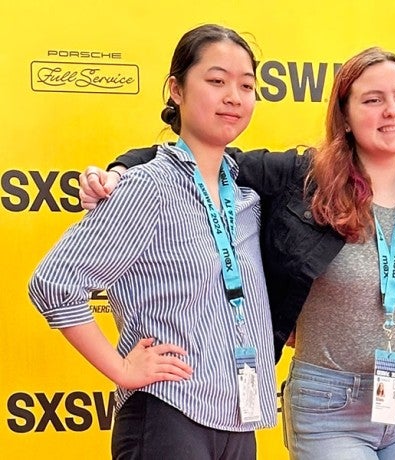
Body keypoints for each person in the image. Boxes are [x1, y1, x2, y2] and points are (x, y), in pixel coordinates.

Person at [80, 47, 395, 459]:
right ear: (344, 115)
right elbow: (201, 156)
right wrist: (117, 171)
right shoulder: (302, 177)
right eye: (373, 99)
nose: (392, 110)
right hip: (329, 405)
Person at [28, 24, 276, 459]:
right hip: (169, 413)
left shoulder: (247, 200)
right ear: (176, 90)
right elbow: (53, 281)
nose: (234, 96)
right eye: (216, 81)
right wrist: (121, 369)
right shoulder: (147, 187)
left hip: (239, 416)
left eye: (246, 85)